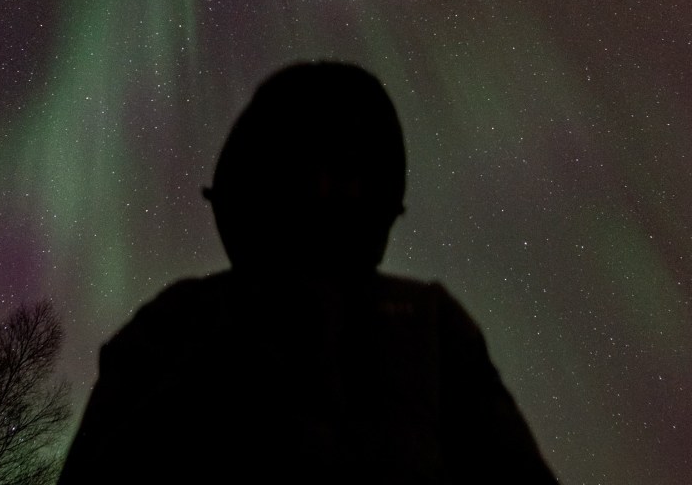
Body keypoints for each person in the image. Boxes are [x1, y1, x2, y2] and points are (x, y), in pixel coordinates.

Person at [58, 62, 560, 483]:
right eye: (300, 167)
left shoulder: (432, 326)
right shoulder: (180, 320)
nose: (324, 189)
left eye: (346, 169)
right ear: (261, 179)